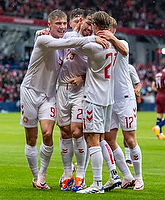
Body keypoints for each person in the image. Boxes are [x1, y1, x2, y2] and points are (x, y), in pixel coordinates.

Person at [20, 9, 106, 190]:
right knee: (33, 138)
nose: (61, 26)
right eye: (57, 23)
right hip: (31, 91)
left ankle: (63, 174)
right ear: (49, 25)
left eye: (63, 23)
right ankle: (38, 176)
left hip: (52, 94)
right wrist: (38, 33)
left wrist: (83, 76)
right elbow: (64, 40)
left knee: (50, 133)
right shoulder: (47, 40)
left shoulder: (69, 42)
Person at [70, 11, 118, 194]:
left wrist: (77, 30)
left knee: (92, 139)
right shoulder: (114, 45)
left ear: (96, 27)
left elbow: (73, 45)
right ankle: (110, 176)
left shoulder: (95, 46)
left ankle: (97, 184)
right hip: (107, 99)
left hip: (93, 98)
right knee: (100, 138)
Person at [97, 18, 144, 191]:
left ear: (112, 30)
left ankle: (139, 178)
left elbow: (124, 51)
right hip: (110, 100)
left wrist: (112, 38)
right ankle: (127, 176)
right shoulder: (100, 46)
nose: (102, 32)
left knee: (130, 140)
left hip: (125, 98)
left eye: (105, 29)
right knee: (109, 139)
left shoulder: (121, 43)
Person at [57, 8, 92, 192]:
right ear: (80, 20)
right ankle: (67, 174)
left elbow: (98, 71)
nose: (89, 28)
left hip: (81, 91)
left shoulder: (93, 42)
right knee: (64, 132)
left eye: (92, 25)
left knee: (77, 130)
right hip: (62, 88)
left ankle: (81, 175)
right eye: (88, 24)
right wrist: (42, 32)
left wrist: (83, 78)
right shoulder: (67, 37)